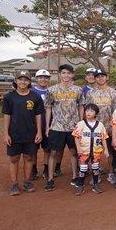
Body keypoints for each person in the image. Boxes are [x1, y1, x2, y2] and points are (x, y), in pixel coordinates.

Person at [3, 71, 43, 196]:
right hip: (14, 134)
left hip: (30, 133)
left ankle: (27, 181)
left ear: (29, 82)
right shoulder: (9, 97)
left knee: (29, 157)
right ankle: (14, 184)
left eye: (26, 79)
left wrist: (39, 132)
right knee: (14, 158)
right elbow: (6, 115)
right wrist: (6, 133)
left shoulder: (35, 97)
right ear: (15, 81)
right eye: (20, 79)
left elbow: (38, 115)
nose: (23, 82)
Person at [44, 64, 83, 192]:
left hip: (73, 127)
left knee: (73, 152)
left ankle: (74, 176)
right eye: (63, 73)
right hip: (57, 126)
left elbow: (80, 106)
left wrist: (81, 123)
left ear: (72, 75)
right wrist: (48, 126)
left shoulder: (78, 90)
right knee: (53, 153)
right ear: (60, 74)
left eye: (68, 73)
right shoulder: (52, 90)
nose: (66, 75)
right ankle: (50, 179)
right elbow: (48, 107)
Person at [84, 69, 116, 182]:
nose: (100, 78)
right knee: (95, 152)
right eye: (98, 76)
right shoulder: (90, 93)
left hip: (109, 127)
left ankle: (111, 173)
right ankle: (96, 174)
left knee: (110, 151)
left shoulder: (113, 93)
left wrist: (114, 128)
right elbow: (88, 111)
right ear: (95, 78)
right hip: (94, 128)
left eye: (103, 76)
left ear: (107, 77)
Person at [72, 103, 109, 195]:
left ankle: (95, 184)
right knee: (83, 168)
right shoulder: (81, 124)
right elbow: (76, 137)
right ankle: (80, 185)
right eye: (87, 110)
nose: (88, 113)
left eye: (91, 111)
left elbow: (103, 138)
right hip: (84, 150)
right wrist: (79, 148)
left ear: (96, 114)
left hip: (96, 151)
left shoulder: (100, 125)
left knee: (95, 168)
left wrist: (106, 150)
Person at [30, 69, 52, 181]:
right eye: (40, 77)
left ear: (49, 79)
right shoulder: (31, 91)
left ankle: (46, 169)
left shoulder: (52, 91)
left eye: (46, 77)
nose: (43, 79)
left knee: (47, 149)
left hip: (48, 125)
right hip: (33, 126)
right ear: (36, 78)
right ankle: (33, 169)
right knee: (33, 149)